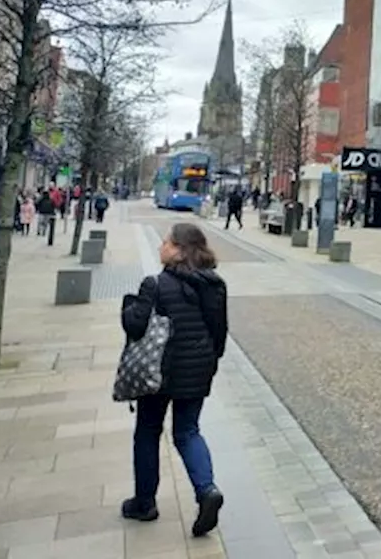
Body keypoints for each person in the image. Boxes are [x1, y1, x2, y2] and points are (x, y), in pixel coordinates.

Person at [120, 221, 227, 535]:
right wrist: (208, 362)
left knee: (148, 431)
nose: (160, 246)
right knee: (189, 432)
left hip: (158, 374)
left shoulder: (155, 284)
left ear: (180, 250)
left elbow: (136, 327)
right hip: (197, 370)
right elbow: (219, 332)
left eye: (165, 242)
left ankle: (144, 502)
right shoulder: (214, 284)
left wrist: (128, 306)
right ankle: (207, 490)